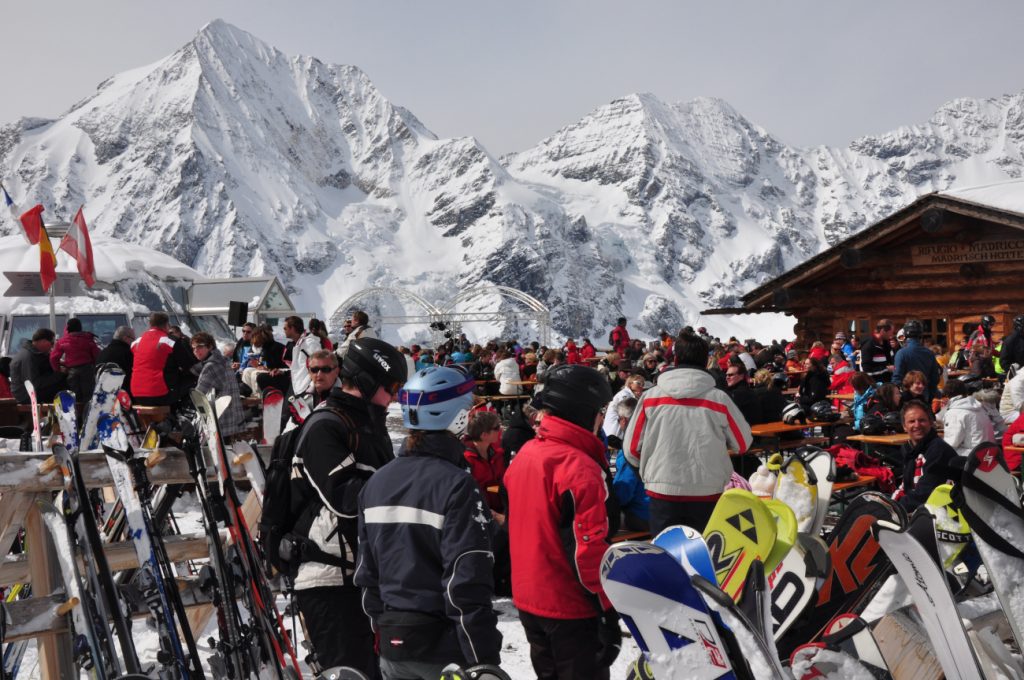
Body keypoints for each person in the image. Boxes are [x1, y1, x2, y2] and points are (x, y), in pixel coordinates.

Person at [355, 365, 502, 679]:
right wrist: (484, 661)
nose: (472, 414)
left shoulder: (377, 483)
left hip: (394, 646)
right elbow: (465, 581)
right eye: (468, 407)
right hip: (444, 650)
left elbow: (368, 576)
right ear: (455, 414)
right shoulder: (457, 484)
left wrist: (385, 632)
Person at [289, 338, 407, 676]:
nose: (394, 396)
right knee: (350, 671)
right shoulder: (325, 426)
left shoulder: (369, 423)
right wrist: (408, 487)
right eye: (391, 386)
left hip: (363, 575)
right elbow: (346, 497)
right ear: (369, 382)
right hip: (328, 580)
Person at [504, 364, 621, 680]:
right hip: (570, 607)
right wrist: (608, 612)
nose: (602, 419)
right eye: (600, 411)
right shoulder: (580, 470)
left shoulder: (528, 453)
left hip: (530, 598)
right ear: (582, 411)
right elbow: (587, 554)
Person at [623, 331, 752, 534]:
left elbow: (631, 449)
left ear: (675, 359)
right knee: (705, 557)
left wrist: (651, 468)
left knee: (666, 557)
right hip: (708, 491)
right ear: (705, 361)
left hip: (662, 490)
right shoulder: (719, 399)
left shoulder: (651, 397)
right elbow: (743, 443)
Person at [896, 400, 958, 511]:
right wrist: (889, 504)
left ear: (930, 422)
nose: (917, 425)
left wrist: (894, 509)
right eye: (911, 421)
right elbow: (906, 487)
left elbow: (924, 495)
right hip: (919, 509)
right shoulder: (910, 449)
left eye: (922, 420)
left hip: (941, 516)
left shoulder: (939, 450)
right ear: (904, 427)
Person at [190, 332, 245, 439]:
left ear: (210, 346)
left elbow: (198, 396)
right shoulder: (223, 360)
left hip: (221, 422)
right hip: (233, 418)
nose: (196, 350)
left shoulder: (211, 366)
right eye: (193, 348)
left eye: (200, 346)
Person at [610, 397, 649, 532]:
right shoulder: (654, 439)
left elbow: (623, 494)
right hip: (661, 509)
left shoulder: (630, 448)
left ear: (623, 420)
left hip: (641, 516)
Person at [462, 410, 507, 514]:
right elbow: (472, 492)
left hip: (501, 510)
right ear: (484, 435)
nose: (500, 430)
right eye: (496, 428)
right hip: (481, 514)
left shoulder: (497, 454)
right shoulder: (467, 460)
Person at [130, 313, 179, 406]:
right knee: (191, 381)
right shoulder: (169, 340)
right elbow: (186, 363)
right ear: (166, 325)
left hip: (137, 393)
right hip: (158, 393)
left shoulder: (136, 342)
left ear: (150, 324)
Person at [49, 318, 100, 402]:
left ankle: (75, 413)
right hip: (88, 371)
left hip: (72, 371)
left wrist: (58, 369)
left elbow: (53, 357)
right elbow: (96, 355)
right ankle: (87, 412)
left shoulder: (62, 341)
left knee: (74, 396)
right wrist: (94, 367)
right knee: (89, 395)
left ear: (67, 328)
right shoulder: (88, 339)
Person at [941, 379, 994, 456]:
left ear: (947, 395)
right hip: (990, 452)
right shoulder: (977, 406)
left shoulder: (955, 412)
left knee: (940, 452)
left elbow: (951, 443)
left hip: (975, 457)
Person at [10, 329, 65, 404]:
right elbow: (34, 383)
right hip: (27, 396)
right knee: (66, 383)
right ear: (43, 341)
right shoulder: (29, 357)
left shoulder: (34, 353)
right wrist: (59, 374)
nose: (52, 347)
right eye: (52, 343)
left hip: (28, 392)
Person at [892, 320, 941, 401]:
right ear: (920, 334)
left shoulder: (901, 353)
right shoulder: (929, 353)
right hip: (925, 397)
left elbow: (896, 380)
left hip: (907, 400)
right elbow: (935, 378)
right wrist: (929, 397)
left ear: (905, 334)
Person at [602, 373, 645, 448]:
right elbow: (627, 413)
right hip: (615, 432)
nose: (641, 386)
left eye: (642, 384)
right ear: (630, 383)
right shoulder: (624, 395)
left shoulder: (630, 395)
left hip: (615, 432)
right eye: (638, 383)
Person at [859, 319, 895, 383]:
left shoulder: (886, 344)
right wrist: (886, 369)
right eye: (891, 332)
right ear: (883, 331)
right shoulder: (869, 345)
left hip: (887, 384)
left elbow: (891, 361)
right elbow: (866, 371)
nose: (891, 335)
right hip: (874, 386)